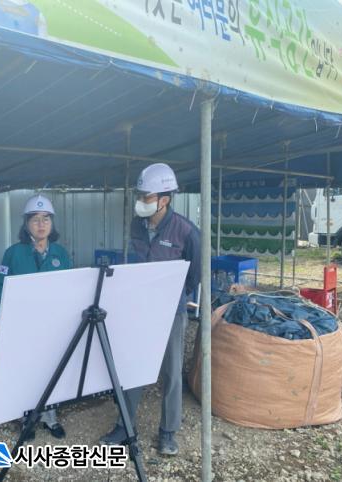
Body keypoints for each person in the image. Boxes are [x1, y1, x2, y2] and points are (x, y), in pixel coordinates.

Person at [99, 163, 201, 456]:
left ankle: (168, 432)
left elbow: (195, 275)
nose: (141, 201)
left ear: (164, 199)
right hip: (140, 308)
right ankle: (125, 426)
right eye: (140, 196)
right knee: (133, 367)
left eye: (146, 197)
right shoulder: (137, 225)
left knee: (171, 371)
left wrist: (177, 298)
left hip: (171, 312)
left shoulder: (186, 231)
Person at [0, 194, 71, 439]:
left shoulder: (61, 254)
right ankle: (26, 418)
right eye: (35, 219)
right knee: (25, 371)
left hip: (52, 325)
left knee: (50, 370)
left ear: (52, 223)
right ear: (26, 224)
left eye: (46, 219)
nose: (41, 224)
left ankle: (50, 417)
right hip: (22, 325)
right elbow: (1, 287)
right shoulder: (13, 253)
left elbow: (71, 288)